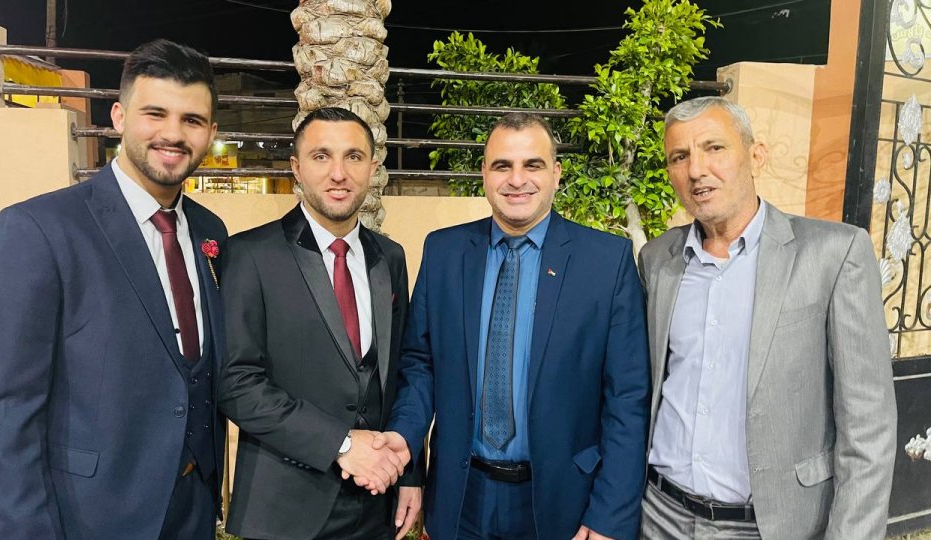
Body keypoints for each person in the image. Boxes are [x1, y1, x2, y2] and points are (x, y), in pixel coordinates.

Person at [0, 39, 227, 538]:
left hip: (192, 511)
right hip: (86, 516)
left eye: (192, 120)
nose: (173, 134)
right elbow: (9, 408)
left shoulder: (209, 231)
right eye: (155, 114)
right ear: (118, 116)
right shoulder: (37, 229)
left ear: (211, 133)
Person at [375, 112, 651, 540]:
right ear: (484, 173)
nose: (516, 179)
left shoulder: (607, 261)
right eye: (502, 165)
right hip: (460, 496)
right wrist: (408, 451)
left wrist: (610, 515)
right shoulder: (444, 252)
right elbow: (419, 365)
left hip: (564, 501)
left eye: (532, 165)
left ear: (556, 173)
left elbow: (627, 398)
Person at [637, 96, 896, 539]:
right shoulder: (658, 259)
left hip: (770, 526)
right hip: (660, 515)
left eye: (714, 148)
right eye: (679, 157)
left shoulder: (833, 254)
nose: (696, 170)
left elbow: (868, 427)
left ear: (756, 156)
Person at [218, 107, 420, 540]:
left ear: (373, 167)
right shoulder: (250, 255)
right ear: (296, 168)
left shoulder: (390, 258)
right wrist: (340, 444)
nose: (338, 173)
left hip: (376, 505)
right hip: (287, 509)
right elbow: (236, 382)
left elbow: (402, 372)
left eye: (353, 156)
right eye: (321, 156)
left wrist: (409, 474)